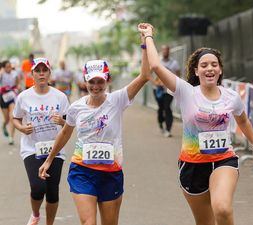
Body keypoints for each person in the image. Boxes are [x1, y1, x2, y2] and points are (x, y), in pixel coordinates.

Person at [138, 23, 253, 225]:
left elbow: (243, 120)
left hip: (224, 160)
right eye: (204, 65)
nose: (209, 68)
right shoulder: (186, 92)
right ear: (196, 71)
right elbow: (155, 66)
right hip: (192, 165)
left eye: (214, 64)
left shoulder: (231, 97)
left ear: (220, 70)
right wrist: (148, 36)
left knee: (222, 209)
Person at [38, 37, 150, 224]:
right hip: (82, 171)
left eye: (100, 81)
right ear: (85, 81)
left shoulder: (117, 100)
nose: (96, 86)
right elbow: (65, 133)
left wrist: (146, 42)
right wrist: (49, 160)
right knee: (88, 223)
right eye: (92, 81)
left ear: (108, 80)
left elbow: (145, 75)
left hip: (111, 172)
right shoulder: (76, 107)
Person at [13, 58, 69, 225]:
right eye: (38, 71)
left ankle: (49, 223)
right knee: (38, 188)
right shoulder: (24, 97)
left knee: (52, 192)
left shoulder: (60, 97)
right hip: (32, 148)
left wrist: (62, 122)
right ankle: (36, 214)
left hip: (55, 149)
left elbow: (70, 124)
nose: (41, 73)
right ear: (32, 74)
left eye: (45, 70)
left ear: (50, 73)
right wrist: (22, 128)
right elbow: (15, 118)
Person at [152, 45, 180, 137]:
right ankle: (160, 122)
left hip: (169, 90)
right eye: (163, 50)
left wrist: (172, 84)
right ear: (161, 51)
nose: (165, 52)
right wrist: (155, 83)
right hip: (158, 90)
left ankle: (168, 129)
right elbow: (148, 74)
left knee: (167, 107)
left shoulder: (174, 63)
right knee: (161, 108)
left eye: (167, 50)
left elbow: (178, 76)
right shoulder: (157, 62)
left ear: (169, 51)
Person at [0, 60, 20, 144]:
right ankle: (4, 125)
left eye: (10, 66)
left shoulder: (14, 73)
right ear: (4, 68)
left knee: (12, 117)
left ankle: (11, 138)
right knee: (7, 119)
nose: (9, 68)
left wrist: (16, 88)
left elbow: (18, 83)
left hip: (12, 96)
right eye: (7, 67)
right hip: (3, 97)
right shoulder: (2, 74)